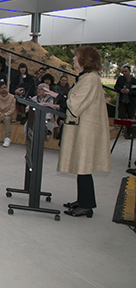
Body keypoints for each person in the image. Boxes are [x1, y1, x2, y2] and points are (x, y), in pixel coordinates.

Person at [55, 46, 111, 218]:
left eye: (76, 57)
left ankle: (86, 205)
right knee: (82, 166)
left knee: (84, 166)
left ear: (84, 60)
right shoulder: (87, 78)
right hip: (83, 127)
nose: (73, 59)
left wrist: (59, 98)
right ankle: (83, 200)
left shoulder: (90, 79)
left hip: (87, 130)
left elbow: (75, 104)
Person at [0, 82, 16, 147]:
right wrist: (0, 113)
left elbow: (12, 109)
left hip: (8, 114)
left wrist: (5, 114)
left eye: (4, 87)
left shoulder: (12, 97)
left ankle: (7, 138)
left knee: (7, 119)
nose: (3, 89)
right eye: (1, 88)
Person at [114, 65, 136, 139]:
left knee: (131, 117)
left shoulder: (134, 81)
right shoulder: (120, 79)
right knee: (122, 116)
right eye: (123, 72)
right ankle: (125, 131)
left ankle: (130, 133)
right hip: (122, 101)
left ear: (129, 71)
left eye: (125, 71)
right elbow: (116, 87)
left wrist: (129, 92)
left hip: (131, 102)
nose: (124, 73)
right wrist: (121, 90)